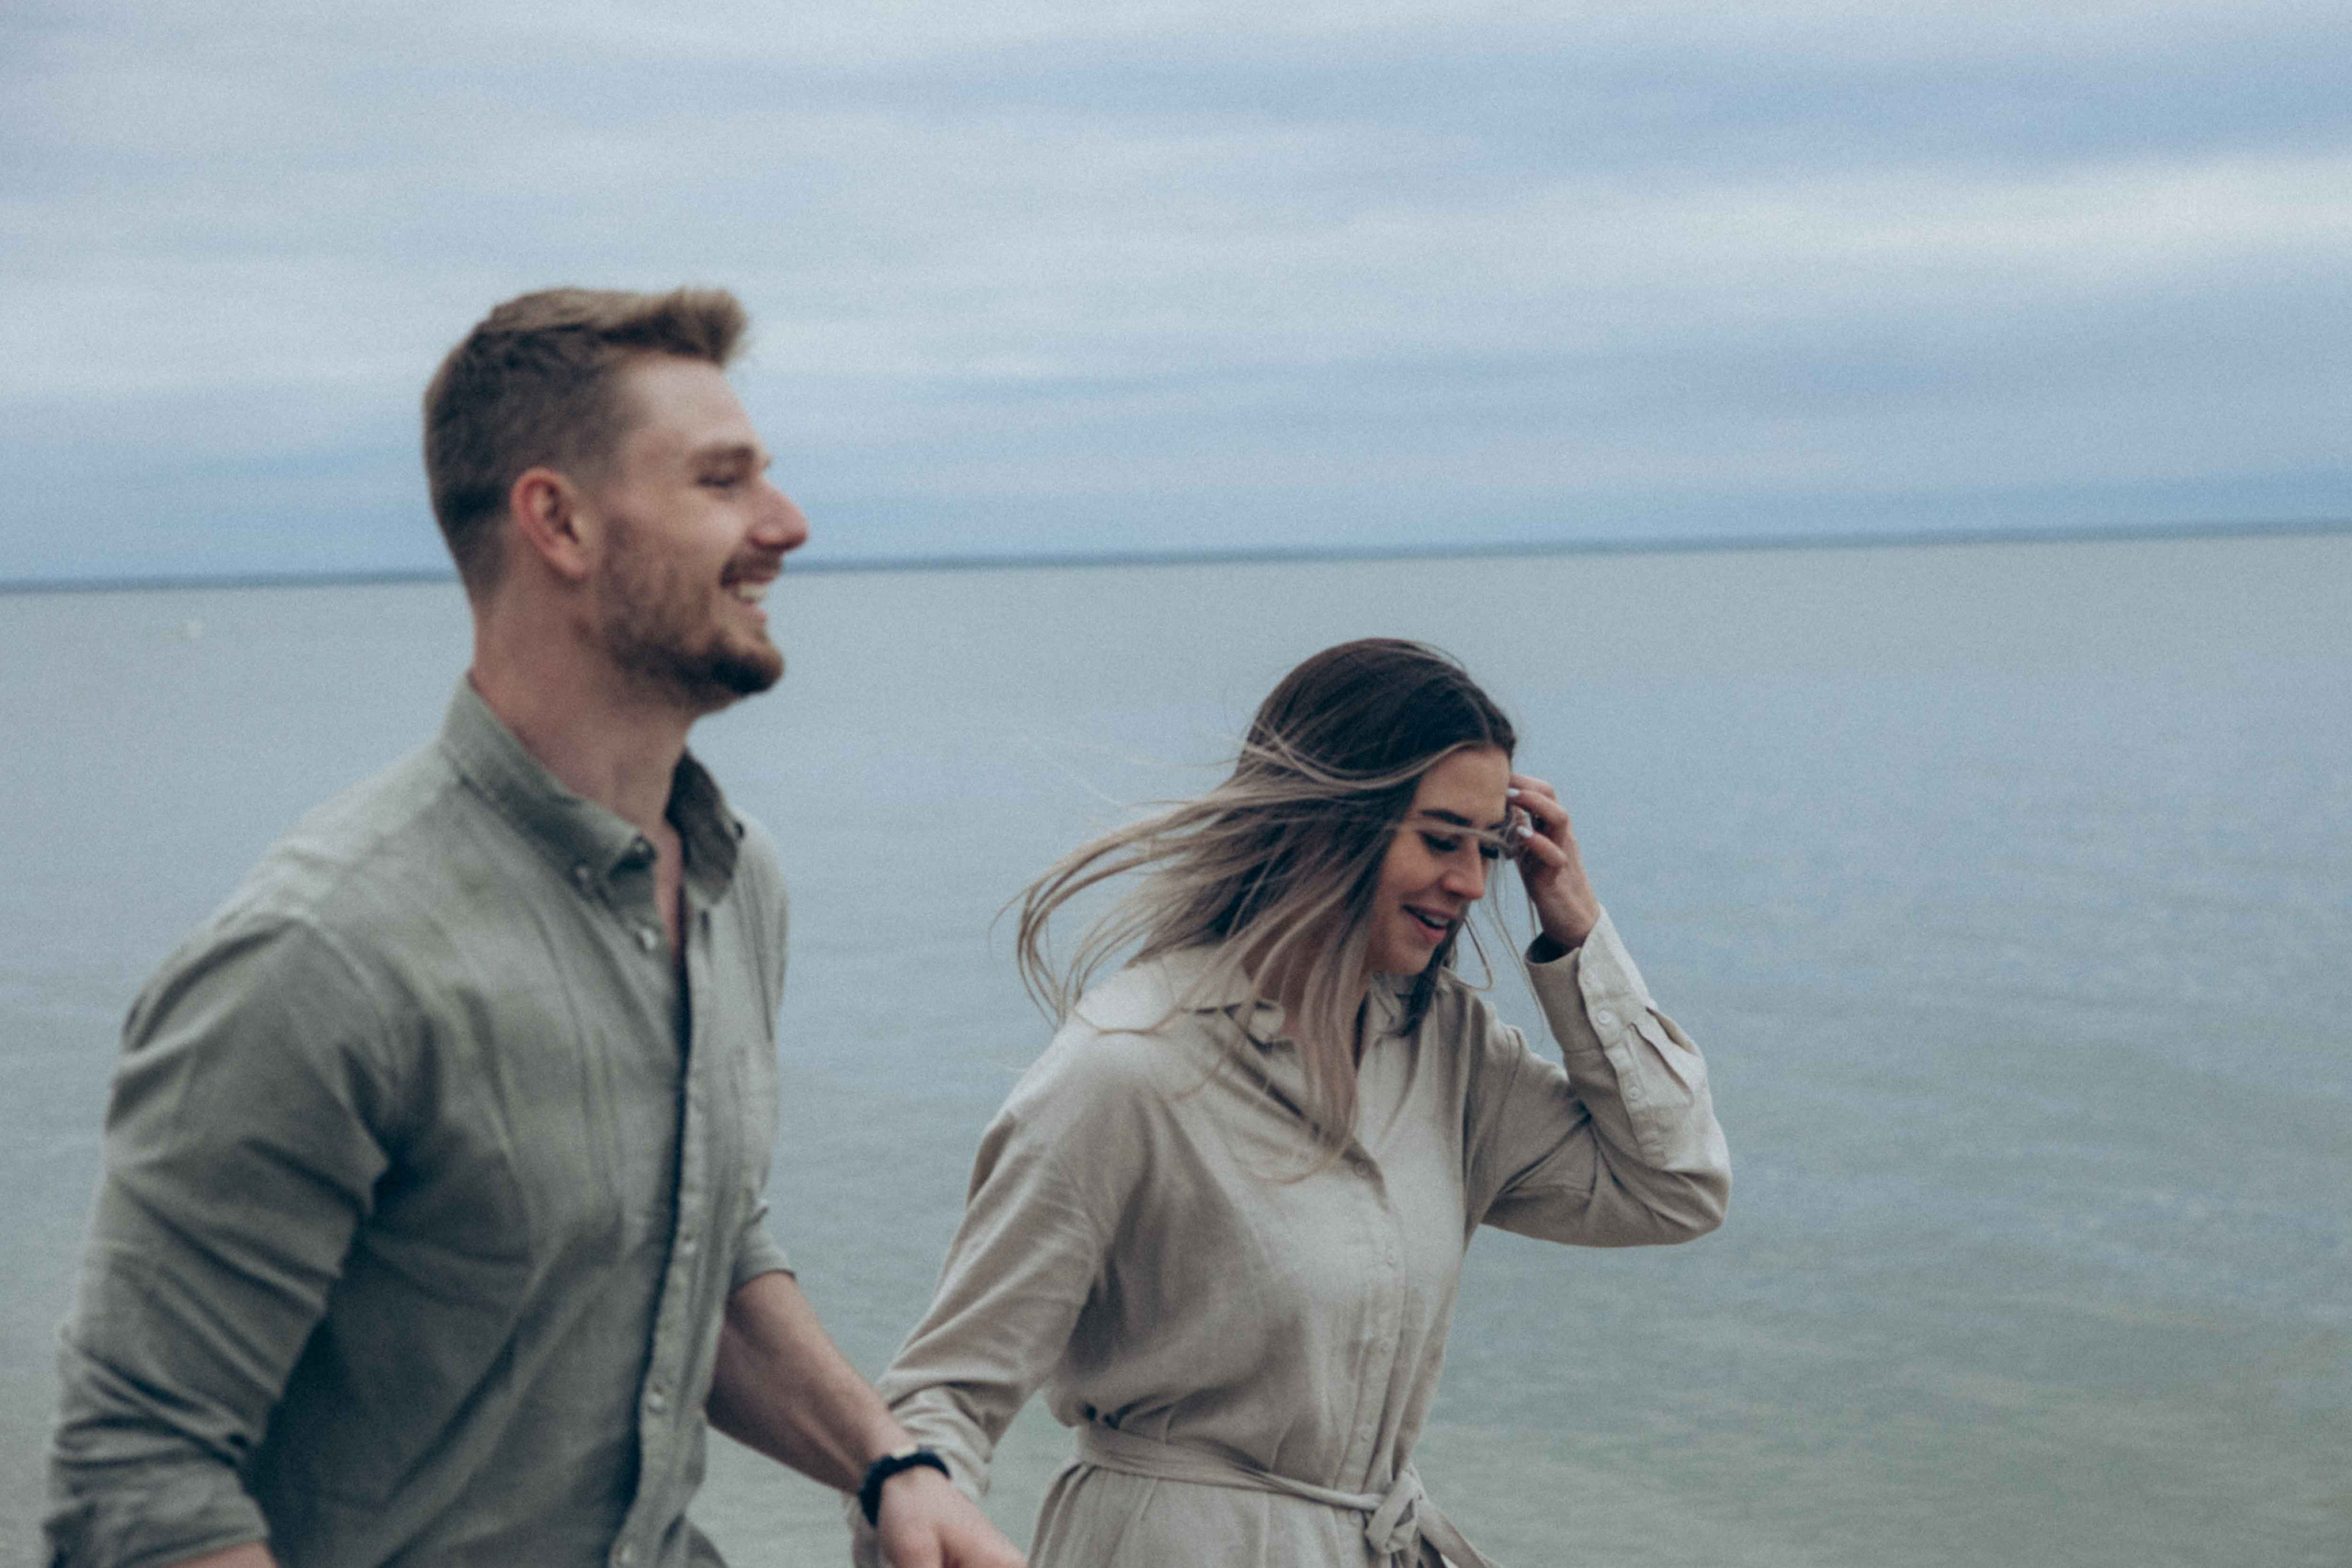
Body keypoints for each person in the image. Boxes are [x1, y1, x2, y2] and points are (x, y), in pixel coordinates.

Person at [46, 287, 1024, 1568]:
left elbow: (698, 1252)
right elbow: (137, 1481)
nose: (785, 526)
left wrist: (891, 1462)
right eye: (722, 482)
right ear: (556, 518)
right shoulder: (321, 952)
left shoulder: (738, 880)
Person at [850, 638, 1732, 1567]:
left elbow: (1672, 1188)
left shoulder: (1445, 1051)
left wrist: (1576, 929)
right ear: (1328, 823)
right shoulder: (1127, 1067)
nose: (1472, 886)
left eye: (1488, 850)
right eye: (1440, 841)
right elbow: (940, 1397)